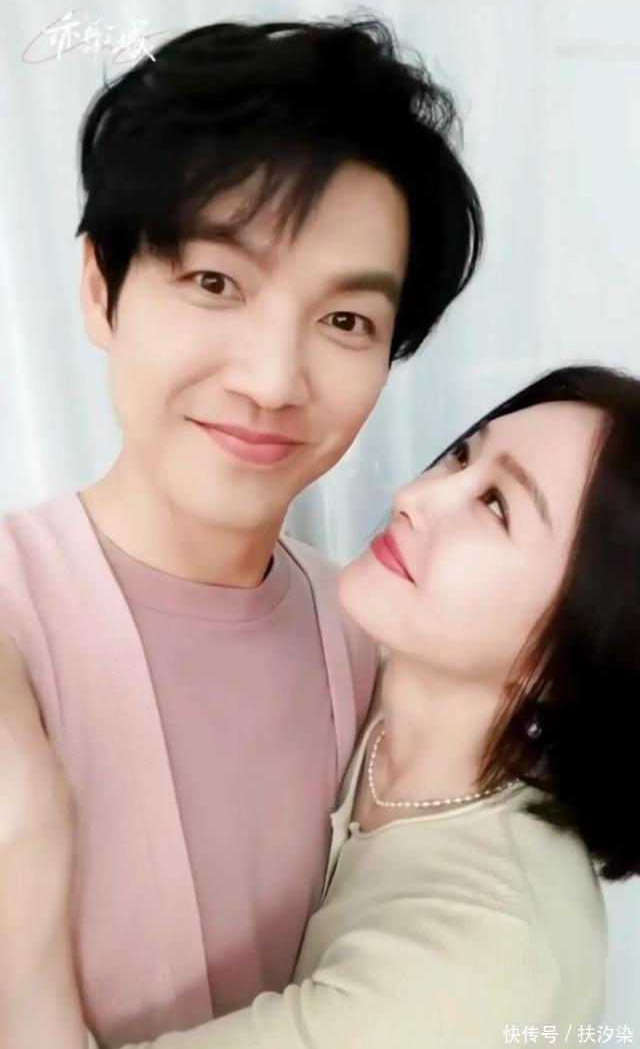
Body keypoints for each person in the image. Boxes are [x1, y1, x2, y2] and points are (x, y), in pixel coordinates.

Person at [0, 15, 483, 1045]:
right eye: (215, 282)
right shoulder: (14, 618)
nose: (271, 380)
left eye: (345, 320)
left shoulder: (374, 645)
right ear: (100, 288)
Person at [4, 363, 640, 1049]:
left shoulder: (490, 964)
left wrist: (25, 833)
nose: (414, 495)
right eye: (463, 455)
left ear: (572, 657)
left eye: (495, 506)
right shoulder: (355, 657)